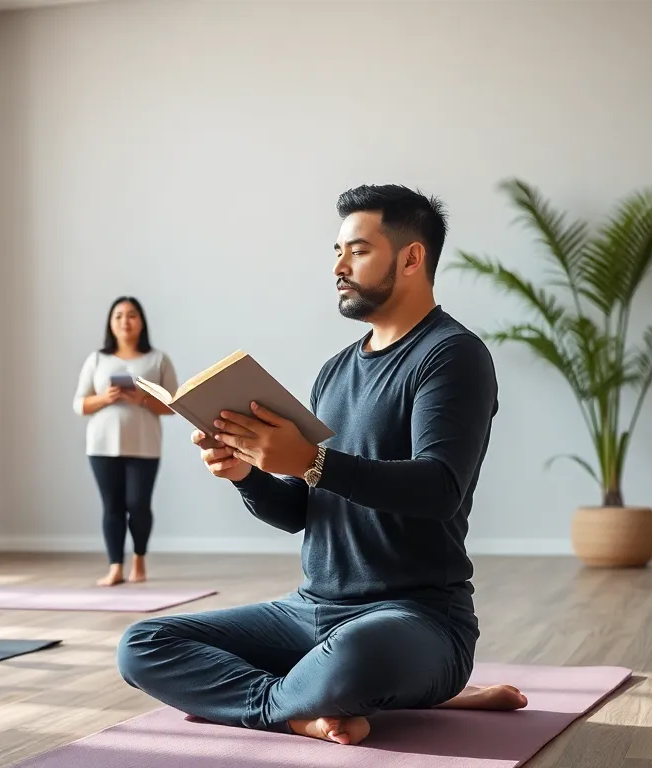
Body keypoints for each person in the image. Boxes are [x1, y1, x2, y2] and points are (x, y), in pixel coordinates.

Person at [115, 185, 527, 745]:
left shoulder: (452, 355)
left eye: (357, 250)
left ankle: (304, 697)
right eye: (337, 250)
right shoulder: (334, 371)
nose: (338, 265)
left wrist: (311, 459)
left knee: (357, 654)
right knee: (142, 644)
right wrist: (248, 473)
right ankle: (300, 708)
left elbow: (439, 488)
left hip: (416, 617)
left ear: (411, 258)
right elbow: (301, 513)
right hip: (310, 612)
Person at [72, 296, 178, 586]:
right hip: (102, 446)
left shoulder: (157, 359)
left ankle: (139, 562)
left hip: (144, 445)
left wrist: (142, 399)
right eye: (118, 316)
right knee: (112, 506)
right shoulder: (97, 359)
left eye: (131, 315)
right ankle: (115, 567)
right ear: (110, 322)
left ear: (141, 321)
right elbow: (79, 404)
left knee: (138, 504)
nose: (124, 321)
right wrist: (105, 398)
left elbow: (174, 405)